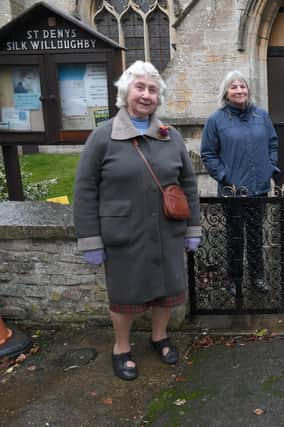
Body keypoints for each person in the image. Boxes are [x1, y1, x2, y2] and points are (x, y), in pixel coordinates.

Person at [73, 61, 202, 381]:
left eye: (152, 90)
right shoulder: (102, 137)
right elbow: (85, 189)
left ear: (159, 98)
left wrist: (192, 228)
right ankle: (121, 348)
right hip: (123, 234)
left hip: (167, 230)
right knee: (125, 296)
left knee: (167, 290)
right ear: (125, 92)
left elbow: (188, 185)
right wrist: (90, 239)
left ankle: (159, 337)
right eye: (139, 88)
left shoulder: (170, 136)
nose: (146, 95)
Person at [200, 70, 279, 295]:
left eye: (242, 86)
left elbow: (273, 143)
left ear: (248, 90)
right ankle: (235, 280)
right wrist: (225, 177)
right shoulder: (216, 120)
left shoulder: (261, 116)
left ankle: (257, 278)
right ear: (226, 92)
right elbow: (208, 154)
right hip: (233, 191)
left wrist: (270, 167)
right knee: (235, 238)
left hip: (258, 189)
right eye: (234, 87)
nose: (239, 90)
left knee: (256, 236)